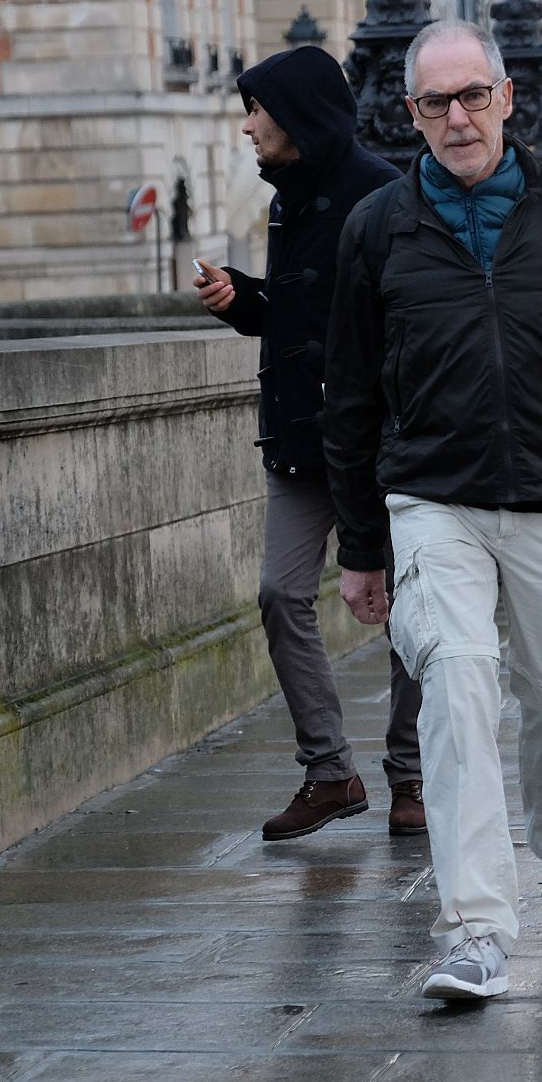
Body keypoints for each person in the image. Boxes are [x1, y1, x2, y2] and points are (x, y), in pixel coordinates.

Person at [323, 19, 542, 1003]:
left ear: (505, 98)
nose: (457, 118)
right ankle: (476, 929)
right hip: (433, 502)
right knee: (459, 683)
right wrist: (361, 546)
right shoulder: (377, 230)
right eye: (435, 103)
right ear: (410, 117)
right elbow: (349, 398)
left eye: (472, 96)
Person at [193, 44, 427, 844]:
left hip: (378, 441)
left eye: (257, 108)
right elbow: (300, 316)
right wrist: (242, 299)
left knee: (409, 609)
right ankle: (331, 771)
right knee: (280, 593)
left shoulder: (383, 192)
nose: (248, 125)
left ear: (297, 113)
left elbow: (398, 324)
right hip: (301, 440)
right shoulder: (287, 198)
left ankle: (414, 776)